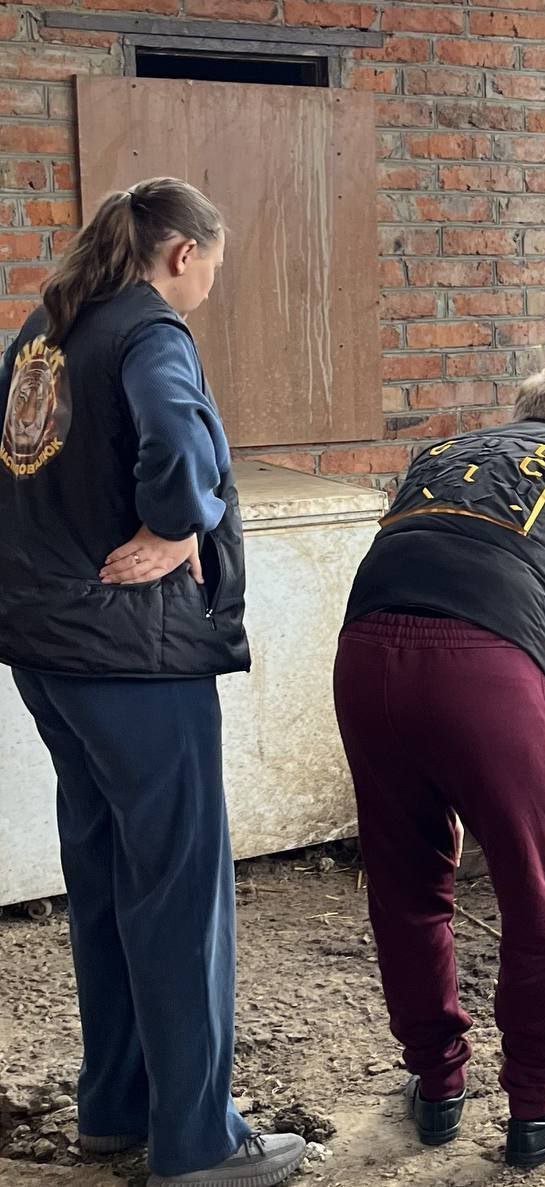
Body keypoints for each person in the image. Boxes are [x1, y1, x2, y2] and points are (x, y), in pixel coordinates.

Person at [0, 178, 305, 1187]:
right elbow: (177, 445)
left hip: (46, 651)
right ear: (180, 254)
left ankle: (117, 1104)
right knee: (179, 887)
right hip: (132, 654)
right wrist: (178, 520)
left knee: (105, 872)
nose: (207, 287)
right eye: (211, 269)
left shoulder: (40, 337)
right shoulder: (148, 334)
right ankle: (199, 1141)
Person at [334, 366, 545, 1168]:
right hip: (488, 671)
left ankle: (436, 1087)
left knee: (405, 889)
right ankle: (538, 1107)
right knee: (537, 899)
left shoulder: (436, 462)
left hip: (364, 657)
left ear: (516, 419)